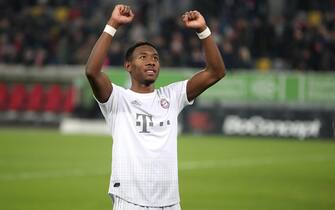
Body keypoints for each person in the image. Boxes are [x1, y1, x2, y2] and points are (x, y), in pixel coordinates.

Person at [85, 4, 226, 210]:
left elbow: (216, 72)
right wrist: (113, 24)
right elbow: (92, 72)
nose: (151, 62)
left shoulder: (172, 96)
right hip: (129, 200)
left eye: (155, 58)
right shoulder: (117, 98)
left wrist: (202, 30)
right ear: (128, 66)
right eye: (143, 57)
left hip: (169, 203)